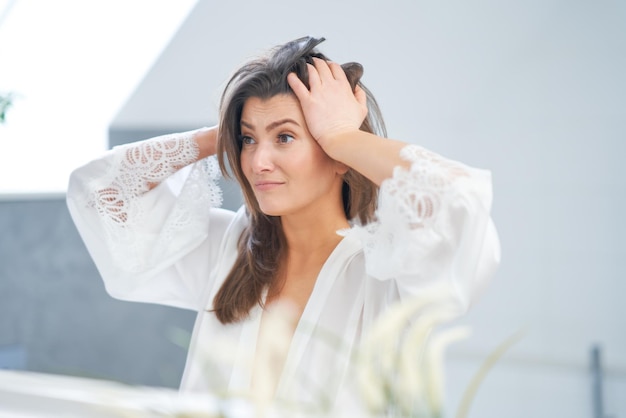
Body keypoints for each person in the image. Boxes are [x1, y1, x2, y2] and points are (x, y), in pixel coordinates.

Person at [66, 36, 500, 409]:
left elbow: (460, 203)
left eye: (285, 137)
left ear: (339, 161)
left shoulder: (386, 272)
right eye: (249, 139)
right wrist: (222, 133)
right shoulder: (229, 247)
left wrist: (344, 136)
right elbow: (98, 191)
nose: (257, 161)